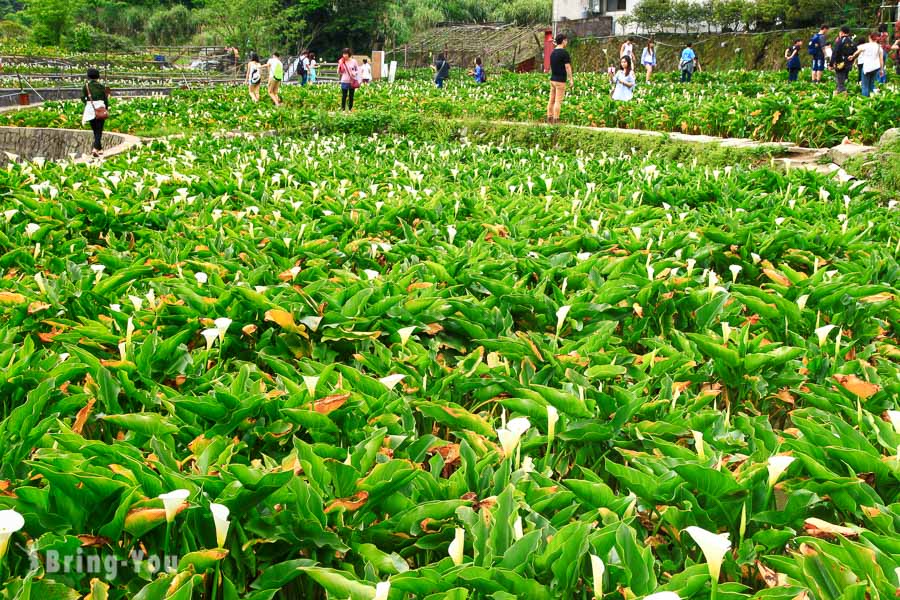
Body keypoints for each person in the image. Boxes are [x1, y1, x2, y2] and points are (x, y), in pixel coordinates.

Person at [81, 68, 109, 158]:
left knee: (95, 130)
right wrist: (106, 109)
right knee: (99, 130)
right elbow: (105, 99)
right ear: (98, 76)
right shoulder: (101, 86)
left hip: (90, 109)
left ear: (88, 76)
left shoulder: (86, 86)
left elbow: (82, 97)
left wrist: (87, 103)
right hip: (100, 108)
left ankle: (100, 149)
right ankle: (95, 149)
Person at [546, 33, 572, 124]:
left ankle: (549, 118)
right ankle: (556, 119)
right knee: (558, 101)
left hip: (552, 79)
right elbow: (568, 67)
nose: (567, 42)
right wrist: (571, 79)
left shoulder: (553, 52)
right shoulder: (564, 53)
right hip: (560, 81)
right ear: (563, 41)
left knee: (551, 100)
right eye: (566, 40)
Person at [851, 32, 885, 97]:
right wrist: (881, 70)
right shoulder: (879, 47)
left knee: (865, 86)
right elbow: (881, 60)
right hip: (875, 68)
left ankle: (865, 101)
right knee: (872, 85)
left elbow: (858, 52)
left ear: (869, 37)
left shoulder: (866, 45)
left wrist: (852, 56)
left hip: (867, 68)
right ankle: (872, 99)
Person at [831, 27, 856, 93]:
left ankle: (842, 97)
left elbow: (835, 53)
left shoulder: (840, 41)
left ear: (841, 32)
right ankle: (840, 94)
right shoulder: (851, 41)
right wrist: (852, 58)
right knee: (843, 79)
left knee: (840, 82)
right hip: (849, 64)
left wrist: (831, 64)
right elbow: (856, 51)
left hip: (840, 64)